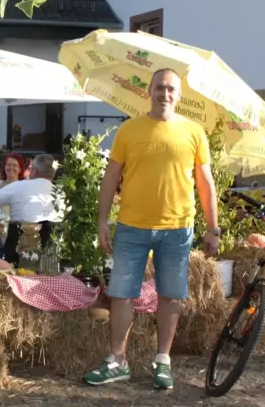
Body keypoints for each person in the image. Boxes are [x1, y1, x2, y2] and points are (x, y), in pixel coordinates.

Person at [84, 68, 218, 391]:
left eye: (171, 89)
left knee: (170, 295)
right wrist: (103, 220)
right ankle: (117, 361)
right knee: (121, 293)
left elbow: (206, 183)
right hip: (132, 226)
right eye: (160, 87)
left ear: (179, 95)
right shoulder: (129, 130)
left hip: (177, 229)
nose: (165, 93)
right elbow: (110, 178)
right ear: (150, 91)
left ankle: (162, 361)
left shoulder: (194, 132)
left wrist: (213, 228)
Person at [0, 154, 60, 264]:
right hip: (52, 258)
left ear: (35, 171)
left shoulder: (18, 186)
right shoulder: (62, 194)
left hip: (17, 253)